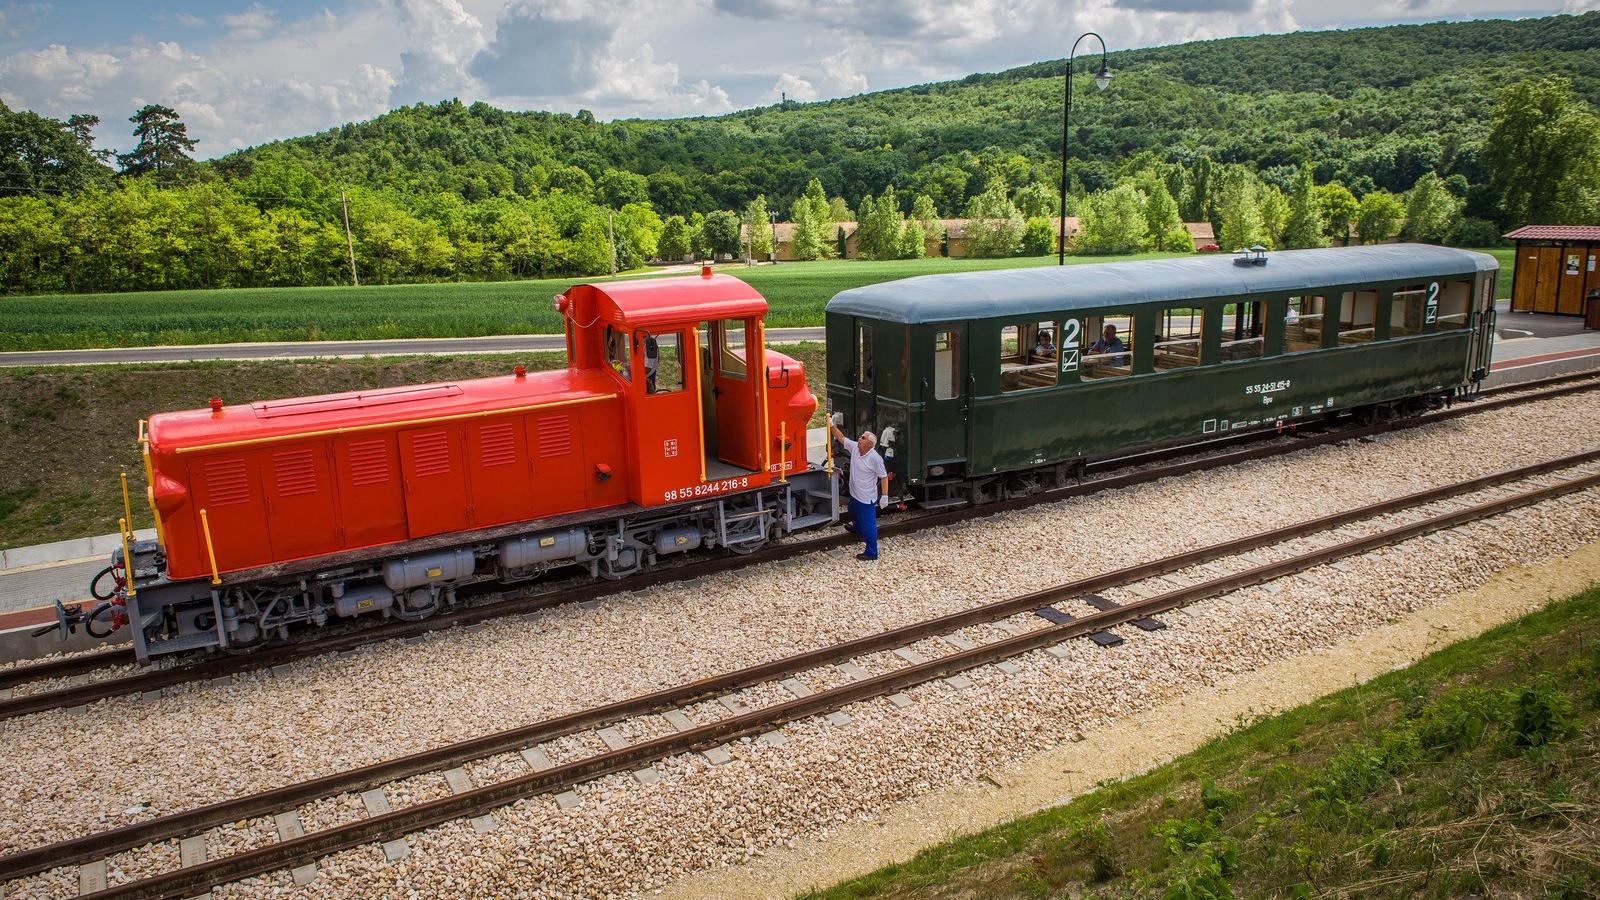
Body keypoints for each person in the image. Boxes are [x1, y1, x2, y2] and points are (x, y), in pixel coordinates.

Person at [830, 420, 889, 561]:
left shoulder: (875, 458)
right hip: (855, 494)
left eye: (863, 438)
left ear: (869, 444)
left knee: (869, 525)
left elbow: (884, 477)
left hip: (866, 498)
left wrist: (885, 496)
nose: (859, 438)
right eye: (861, 436)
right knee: (852, 510)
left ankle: (872, 552)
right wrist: (831, 425)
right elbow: (841, 438)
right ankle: (857, 528)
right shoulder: (856, 448)